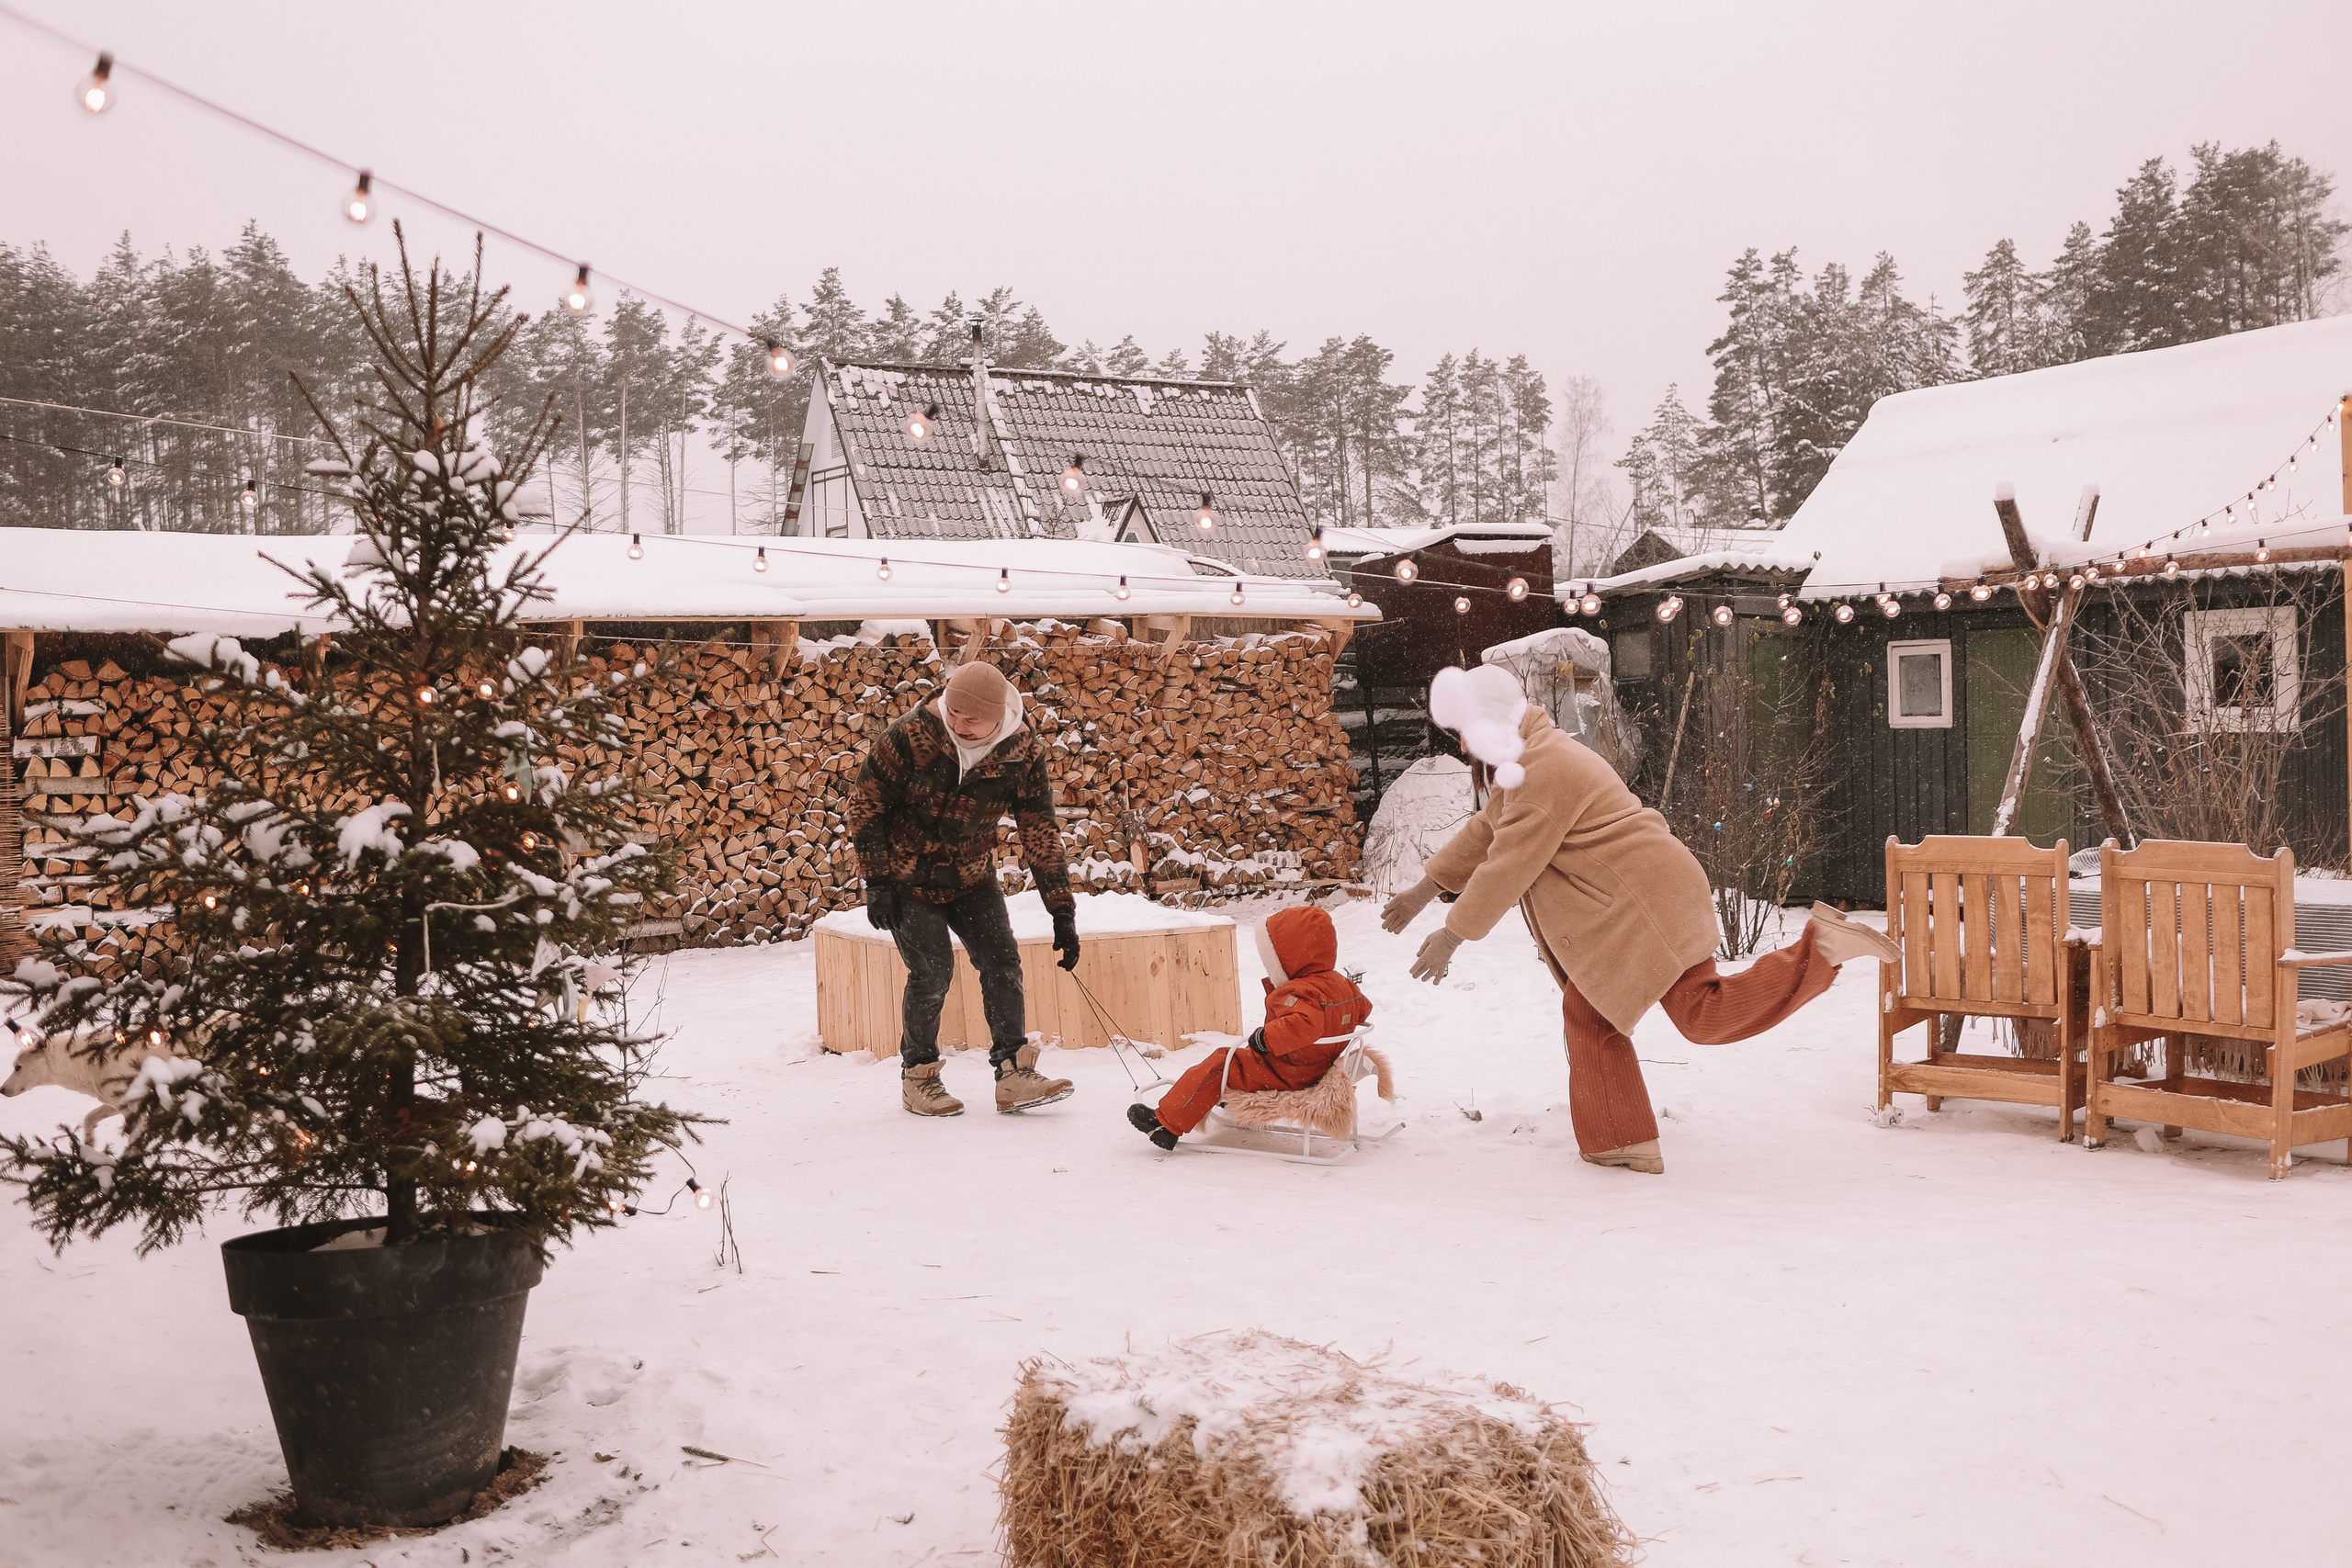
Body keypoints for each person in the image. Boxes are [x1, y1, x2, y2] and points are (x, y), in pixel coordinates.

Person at [1382, 663, 1898, 1174]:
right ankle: (1621, 1137)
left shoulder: (1543, 770)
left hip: (1643, 901)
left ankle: (1819, 951)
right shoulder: (1531, 758)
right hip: (1643, 895)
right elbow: (1485, 831)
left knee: (1693, 1015)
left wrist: (1452, 936)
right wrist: (1422, 891)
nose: (1465, 748)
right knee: (1604, 1012)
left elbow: (1509, 863)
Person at [846, 659, 1080, 1117]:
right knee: (932, 973)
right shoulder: (909, 736)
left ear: (999, 715)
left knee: (1002, 963)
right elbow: (866, 806)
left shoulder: (1022, 752)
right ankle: (920, 1078)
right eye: (953, 712)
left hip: (972, 878)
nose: (958, 724)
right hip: (907, 880)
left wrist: (1061, 910)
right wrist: (877, 880)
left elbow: (1039, 831)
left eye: (971, 718)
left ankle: (1014, 1074)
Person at [1127, 905, 1371, 1150]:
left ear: (1289, 956)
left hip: (1290, 1074)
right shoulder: (1342, 984)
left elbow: (1306, 1024)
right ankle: (1218, 1100)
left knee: (1222, 1063)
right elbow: (1364, 1010)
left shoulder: (1300, 990)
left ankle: (1166, 1124)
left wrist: (1264, 1039)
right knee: (1237, 1061)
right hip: (1319, 1065)